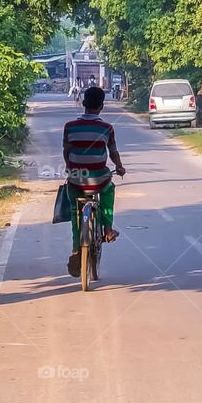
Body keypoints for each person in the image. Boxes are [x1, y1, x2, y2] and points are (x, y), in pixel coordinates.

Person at [62, 85, 126, 276]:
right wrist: (120, 167)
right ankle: (107, 229)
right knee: (109, 190)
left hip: (76, 179)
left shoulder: (69, 127)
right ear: (101, 106)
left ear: (83, 104)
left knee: (75, 210)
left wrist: (69, 167)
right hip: (98, 179)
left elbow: (66, 151)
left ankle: (76, 248)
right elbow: (113, 153)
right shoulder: (107, 128)